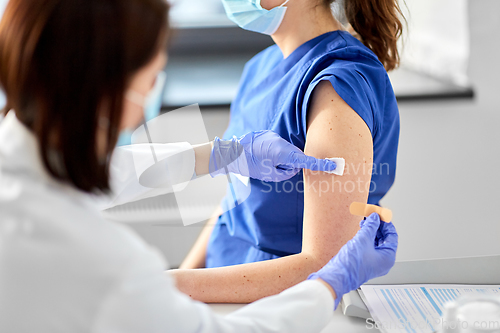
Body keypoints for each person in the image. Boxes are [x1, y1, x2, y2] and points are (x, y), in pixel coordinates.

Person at [0, 0, 399, 331]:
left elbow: (317, 253)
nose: (151, 93)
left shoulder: (338, 82)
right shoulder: (114, 272)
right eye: (151, 78)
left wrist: (222, 156)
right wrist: (166, 286)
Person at [175, 0, 403, 303]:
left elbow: (324, 263)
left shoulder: (337, 84)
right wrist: (182, 281)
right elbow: (233, 204)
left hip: (283, 304)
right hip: (215, 290)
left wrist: (169, 286)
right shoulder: (260, 67)